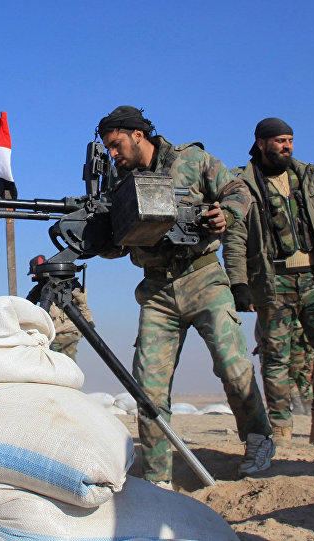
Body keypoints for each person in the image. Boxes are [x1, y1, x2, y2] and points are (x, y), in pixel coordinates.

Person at [96, 106, 275, 484]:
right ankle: (158, 477)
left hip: (204, 278)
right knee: (148, 388)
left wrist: (227, 214)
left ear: (138, 135)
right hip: (157, 291)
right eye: (108, 148)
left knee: (233, 366)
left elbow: (239, 190)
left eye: (116, 144)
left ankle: (259, 437)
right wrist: (95, 232)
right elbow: (117, 247)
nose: (112, 154)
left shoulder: (190, 160)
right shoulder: (119, 185)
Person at [223, 117, 314, 448]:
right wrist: (239, 283)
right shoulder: (242, 183)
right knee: (275, 356)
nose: (287, 146)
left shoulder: (305, 176)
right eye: (280, 141)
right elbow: (235, 236)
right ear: (261, 143)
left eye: (290, 140)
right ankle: (281, 428)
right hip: (273, 281)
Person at [24, 254, 93, 361]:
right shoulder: (43, 289)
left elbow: (82, 302)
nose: (33, 276)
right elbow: (27, 306)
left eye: (34, 273)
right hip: (61, 331)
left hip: (66, 330)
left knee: (57, 359)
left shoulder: (64, 286)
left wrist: (89, 322)